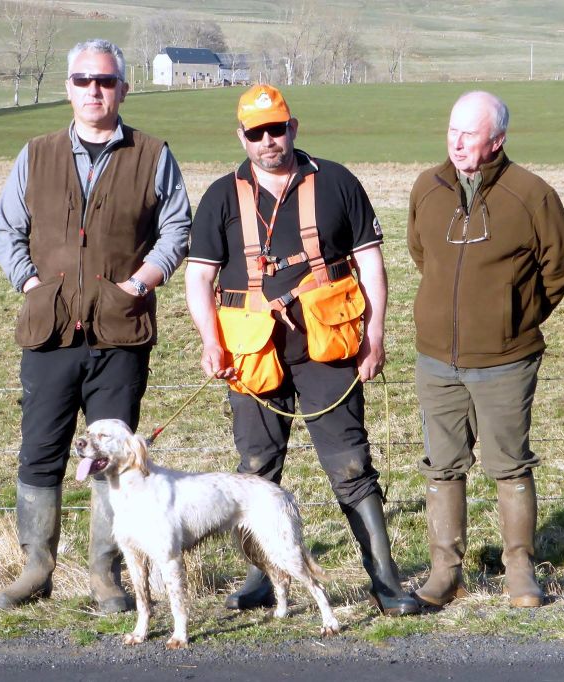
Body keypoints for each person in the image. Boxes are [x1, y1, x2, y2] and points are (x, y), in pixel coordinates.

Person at [184, 84, 419, 617]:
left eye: (277, 128)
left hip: (329, 347)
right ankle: (262, 580)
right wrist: (210, 342)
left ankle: (385, 582)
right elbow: (199, 279)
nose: (269, 140)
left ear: (294, 126)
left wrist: (376, 335)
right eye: (256, 132)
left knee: (352, 467)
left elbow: (372, 267)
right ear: (241, 135)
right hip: (250, 351)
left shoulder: (337, 181)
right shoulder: (222, 195)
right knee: (256, 471)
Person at [0, 39, 191, 612]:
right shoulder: (36, 153)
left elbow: (177, 227)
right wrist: (31, 284)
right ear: (69, 88)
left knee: (116, 459)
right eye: (83, 80)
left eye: (104, 81)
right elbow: (7, 229)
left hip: (120, 334)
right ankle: (37, 568)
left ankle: (107, 574)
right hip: (49, 333)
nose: (94, 90)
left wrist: (140, 283)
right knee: (41, 450)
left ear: (123, 89)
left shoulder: (152, 154)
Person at [407, 91, 564, 608]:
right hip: (436, 358)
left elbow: (561, 265)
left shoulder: (532, 195)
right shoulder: (427, 188)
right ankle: (445, 570)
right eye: (452, 131)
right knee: (442, 465)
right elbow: (422, 254)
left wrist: (513, 316)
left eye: (470, 134)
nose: (457, 143)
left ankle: (520, 569)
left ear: (497, 140)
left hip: (506, 360)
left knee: (509, 464)